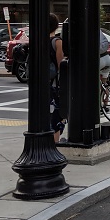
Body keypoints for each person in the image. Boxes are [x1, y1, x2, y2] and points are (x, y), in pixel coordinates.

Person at [48, 14, 65, 143]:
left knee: (46, 112)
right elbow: (61, 64)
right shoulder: (57, 42)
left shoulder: (37, 40)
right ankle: (55, 141)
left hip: (41, 83)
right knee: (58, 112)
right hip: (54, 82)